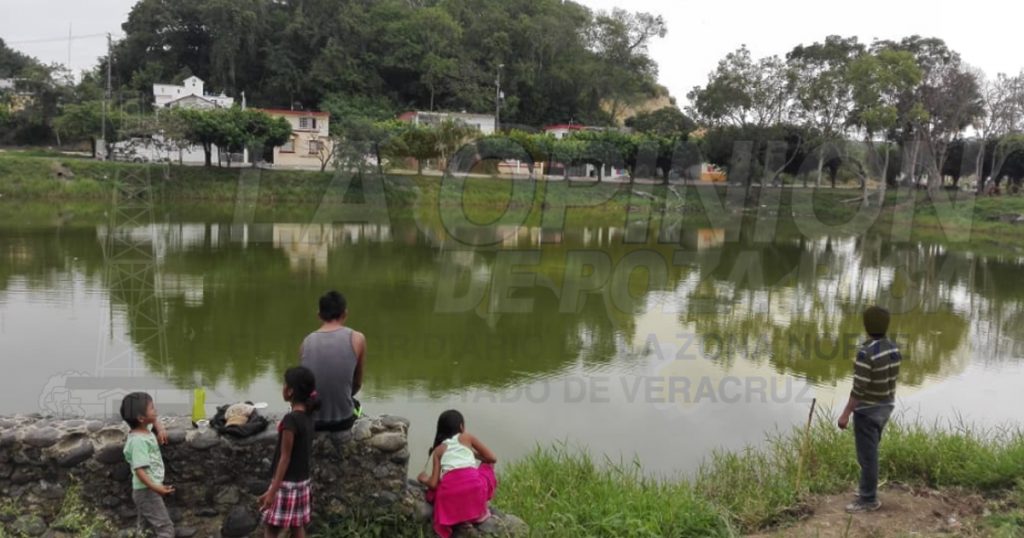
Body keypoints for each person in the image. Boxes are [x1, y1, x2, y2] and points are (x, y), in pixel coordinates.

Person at [838, 306, 902, 513]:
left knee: (867, 457)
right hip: (886, 406)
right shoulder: (893, 348)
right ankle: (866, 490)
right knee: (870, 452)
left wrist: (845, 414)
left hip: (868, 410)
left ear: (866, 326)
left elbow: (859, 388)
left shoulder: (866, 353)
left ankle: (868, 499)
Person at [418, 410, 498, 538]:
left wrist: (424, 478)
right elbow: (492, 458)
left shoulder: (438, 450)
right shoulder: (467, 437)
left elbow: (433, 484)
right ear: (461, 426)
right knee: (487, 465)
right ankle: (478, 512)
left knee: (444, 487)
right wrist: (472, 453)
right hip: (475, 489)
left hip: (449, 495)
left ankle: (456, 516)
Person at [258, 366, 318, 537]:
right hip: (302, 483)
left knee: (271, 527)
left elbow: (285, 458)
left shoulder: (290, 420)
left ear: (290, 391)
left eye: (284, 384)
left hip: (285, 484)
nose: (282, 387)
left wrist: (272, 491)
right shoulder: (309, 417)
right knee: (297, 526)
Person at [300, 290, 365, 432]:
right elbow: (357, 383)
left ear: (319, 315)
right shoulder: (357, 338)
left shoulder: (306, 342)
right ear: (345, 313)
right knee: (356, 405)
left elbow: (305, 386)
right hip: (343, 420)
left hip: (312, 420)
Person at [120, 392, 175, 538]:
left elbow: (154, 421)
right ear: (141, 418)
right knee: (165, 528)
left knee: (145, 527)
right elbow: (139, 470)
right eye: (152, 408)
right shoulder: (138, 441)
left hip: (145, 490)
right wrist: (156, 488)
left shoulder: (144, 428)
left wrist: (161, 429)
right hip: (146, 490)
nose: (156, 411)